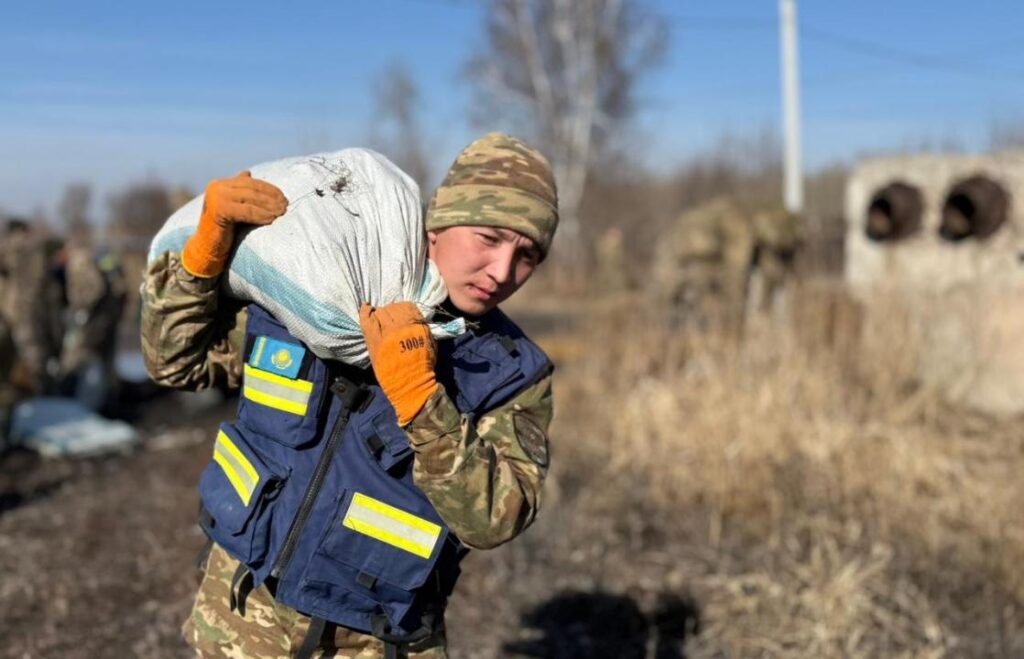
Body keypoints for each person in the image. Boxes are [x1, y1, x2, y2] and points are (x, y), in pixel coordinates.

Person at [141, 133, 558, 658]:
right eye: (489, 238)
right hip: (235, 624)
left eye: (527, 256)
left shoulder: (512, 371)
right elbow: (174, 363)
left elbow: (497, 518)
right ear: (439, 225)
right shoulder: (311, 288)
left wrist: (423, 403)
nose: (502, 272)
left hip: (370, 645)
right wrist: (198, 265)